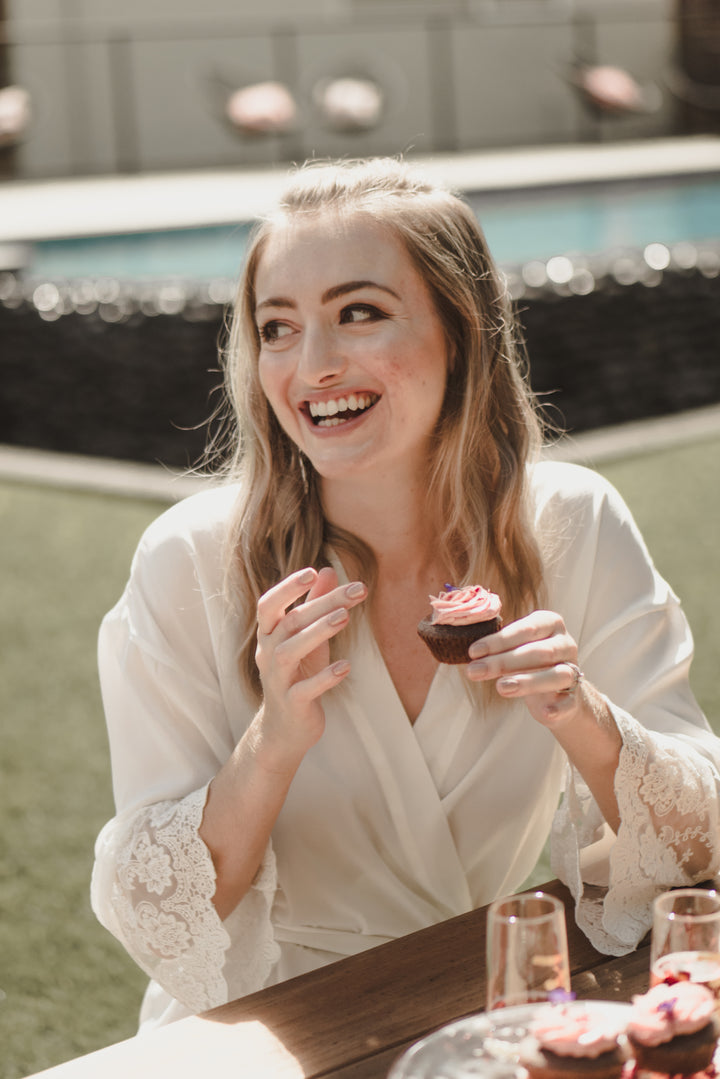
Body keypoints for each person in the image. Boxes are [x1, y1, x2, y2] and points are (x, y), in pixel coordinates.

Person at [91, 157, 720, 1031]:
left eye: (359, 313)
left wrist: (582, 715)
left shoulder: (573, 523)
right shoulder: (189, 561)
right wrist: (273, 739)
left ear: (460, 335)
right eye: (278, 326)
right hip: (268, 1028)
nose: (311, 365)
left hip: (480, 1002)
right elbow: (154, 908)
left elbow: (702, 842)